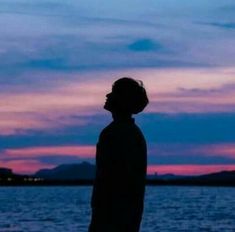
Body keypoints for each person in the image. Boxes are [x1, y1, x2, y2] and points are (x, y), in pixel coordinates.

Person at [89, 77, 149, 232]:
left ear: (123, 100)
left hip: (113, 217)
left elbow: (114, 179)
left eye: (113, 92)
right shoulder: (129, 132)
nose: (107, 95)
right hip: (121, 216)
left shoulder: (117, 133)